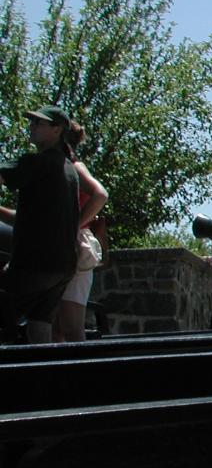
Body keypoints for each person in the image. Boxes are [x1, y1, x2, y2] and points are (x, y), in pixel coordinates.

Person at [0, 107, 81, 345]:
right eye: (32, 121)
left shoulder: (36, 162)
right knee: (39, 327)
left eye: (39, 123)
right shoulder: (68, 169)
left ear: (57, 130)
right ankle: (46, 377)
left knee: (7, 315)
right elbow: (33, 217)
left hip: (35, 264)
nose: (32, 126)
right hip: (62, 267)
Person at [54, 121, 109, 343]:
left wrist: (73, 226)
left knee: (71, 326)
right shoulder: (56, 168)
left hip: (74, 248)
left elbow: (100, 195)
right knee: (55, 327)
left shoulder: (75, 167)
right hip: (58, 248)